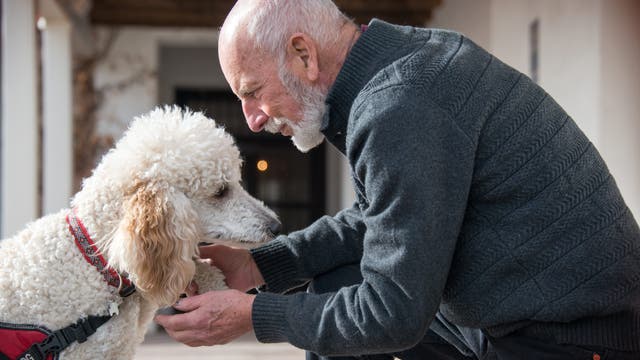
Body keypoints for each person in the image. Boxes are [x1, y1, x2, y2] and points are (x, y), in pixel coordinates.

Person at [155, 1, 640, 359]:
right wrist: (258, 267)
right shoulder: (404, 65)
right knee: (332, 290)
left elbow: (393, 314)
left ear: (303, 54)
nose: (253, 119)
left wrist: (251, 317)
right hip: (517, 318)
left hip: (573, 339)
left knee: (346, 325)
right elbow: (379, 218)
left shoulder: (399, 106)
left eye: (253, 91)